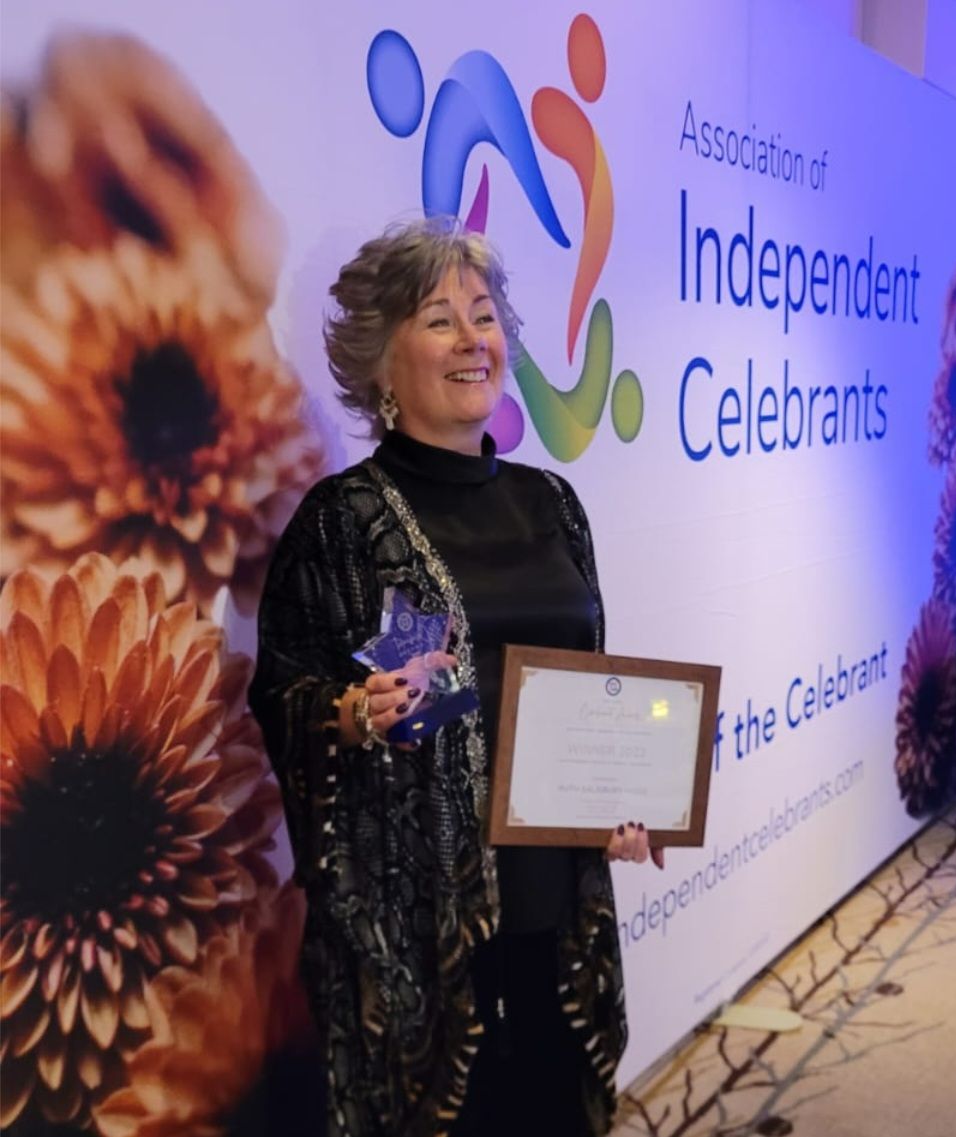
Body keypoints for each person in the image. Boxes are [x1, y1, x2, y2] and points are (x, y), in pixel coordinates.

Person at [248, 218, 663, 1137]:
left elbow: (589, 686)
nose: (474, 339)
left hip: (555, 910)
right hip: (415, 936)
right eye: (440, 319)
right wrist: (352, 712)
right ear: (380, 364)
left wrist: (626, 795)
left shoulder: (551, 502)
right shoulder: (342, 521)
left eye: (484, 316)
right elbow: (280, 694)